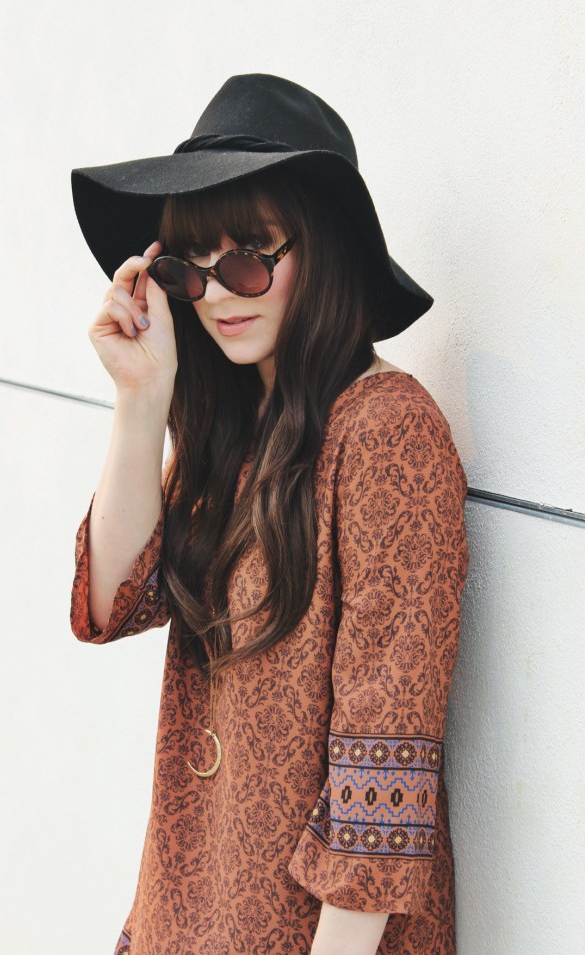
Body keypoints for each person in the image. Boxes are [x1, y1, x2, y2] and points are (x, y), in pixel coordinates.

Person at [69, 73, 470, 955]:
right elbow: (110, 602)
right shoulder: (235, 429)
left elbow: (384, 766)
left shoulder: (387, 432)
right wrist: (141, 399)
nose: (217, 294)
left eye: (249, 256)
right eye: (188, 268)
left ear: (320, 249)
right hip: (184, 912)